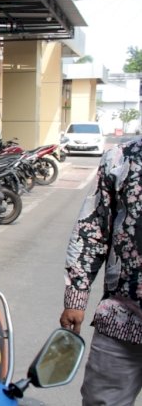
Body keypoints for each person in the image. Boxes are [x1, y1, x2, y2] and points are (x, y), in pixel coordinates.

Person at [59, 138, 142, 406]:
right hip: (122, 319)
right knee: (102, 402)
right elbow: (92, 230)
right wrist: (76, 296)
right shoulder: (119, 158)